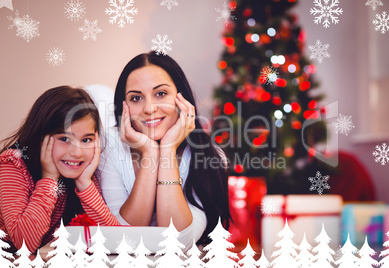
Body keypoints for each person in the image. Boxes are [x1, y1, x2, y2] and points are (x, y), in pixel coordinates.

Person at [96, 51, 231, 249]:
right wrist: (150, 153)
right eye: (136, 98)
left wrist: (167, 150)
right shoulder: (110, 146)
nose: (149, 108)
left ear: (181, 98)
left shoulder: (209, 156)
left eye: (160, 94)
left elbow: (178, 242)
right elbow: (124, 237)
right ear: (123, 107)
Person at [0, 86, 119, 254]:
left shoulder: (83, 175)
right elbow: (25, 245)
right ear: (40, 137)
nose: (77, 152)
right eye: (64, 138)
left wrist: (85, 183)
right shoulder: (13, 164)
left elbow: (115, 240)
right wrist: (49, 178)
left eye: (86, 140)